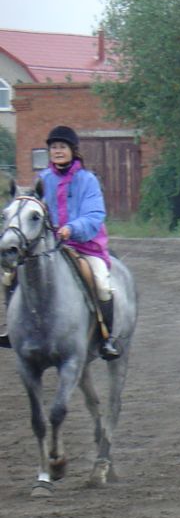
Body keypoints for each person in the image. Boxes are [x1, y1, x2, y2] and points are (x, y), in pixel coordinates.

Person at [0, 126, 121, 359]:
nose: (57, 151)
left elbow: (94, 215)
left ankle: (106, 338)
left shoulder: (87, 180)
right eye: (53, 147)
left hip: (85, 245)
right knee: (10, 276)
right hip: (48, 246)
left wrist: (71, 228)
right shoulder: (43, 179)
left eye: (62, 147)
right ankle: (12, 329)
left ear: (73, 150)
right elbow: (33, 212)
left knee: (101, 283)